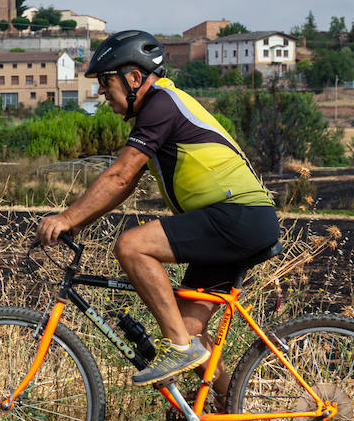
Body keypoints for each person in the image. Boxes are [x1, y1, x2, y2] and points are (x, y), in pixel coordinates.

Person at [36, 30, 278, 395]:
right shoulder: (157, 110)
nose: (102, 92)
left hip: (236, 216)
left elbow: (120, 176)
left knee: (132, 247)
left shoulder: (161, 104)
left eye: (106, 81)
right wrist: (79, 222)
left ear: (134, 78)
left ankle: (177, 347)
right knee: (188, 327)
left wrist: (66, 218)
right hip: (237, 221)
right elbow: (126, 185)